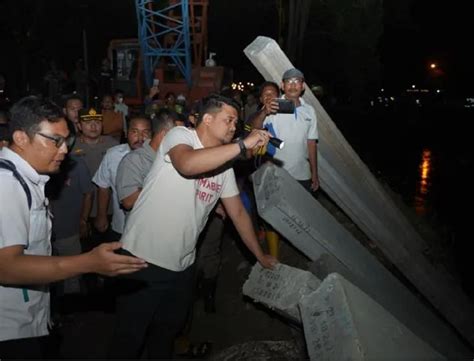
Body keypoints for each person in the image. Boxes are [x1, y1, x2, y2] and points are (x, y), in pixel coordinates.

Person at [108, 94, 277, 359]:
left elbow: (239, 215)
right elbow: (187, 165)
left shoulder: (223, 166)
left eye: (236, 121)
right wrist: (243, 145)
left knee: (165, 335)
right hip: (142, 259)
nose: (234, 126)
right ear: (207, 119)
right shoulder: (180, 136)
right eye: (229, 120)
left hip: (183, 266)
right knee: (128, 339)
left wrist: (260, 255)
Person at [0, 96, 147, 359]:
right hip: (9, 329)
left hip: (28, 319)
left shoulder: (28, 178)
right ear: (21, 138)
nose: (65, 150)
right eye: (55, 141)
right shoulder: (6, 185)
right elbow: (6, 267)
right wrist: (88, 263)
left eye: (66, 141)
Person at [250, 69, 320, 192]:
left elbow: (312, 144)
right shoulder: (272, 106)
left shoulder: (310, 111)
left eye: (297, 81)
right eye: (289, 82)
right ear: (282, 86)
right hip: (277, 173)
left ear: (302, 86)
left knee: (301, 210)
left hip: (303, 174)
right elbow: (254, 128)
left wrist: (314, 173)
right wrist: (264, 112)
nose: (293, 85)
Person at [93, 116, 152, 240]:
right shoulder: (112, 155)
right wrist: (102, 215)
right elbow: (103, 186)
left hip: (149, 228)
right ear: (126, 133)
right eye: (134, 132)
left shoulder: (158, 158)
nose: (140, 138)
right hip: (120, 226)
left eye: (145, 132)